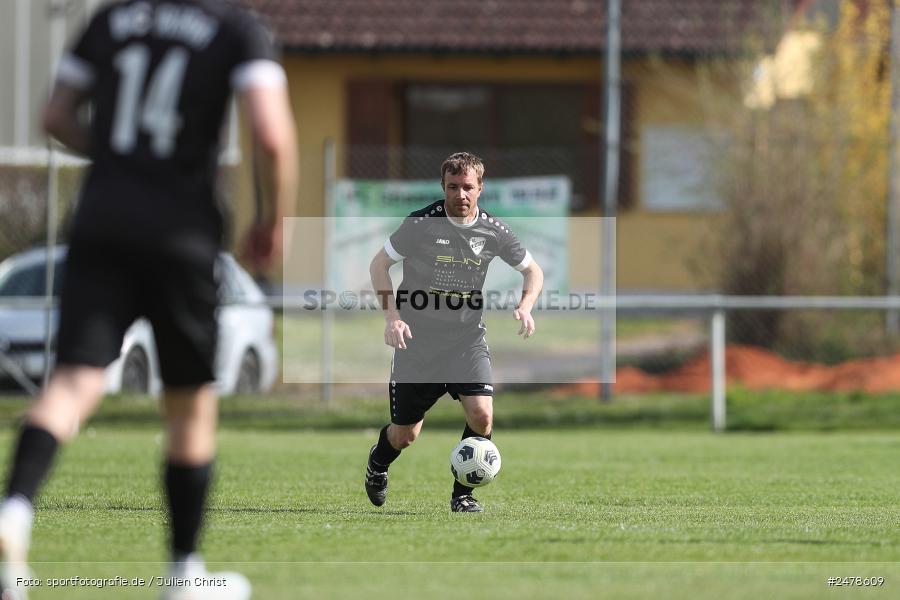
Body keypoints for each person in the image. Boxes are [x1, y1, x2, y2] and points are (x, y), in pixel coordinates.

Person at [0, 1, 298, 599]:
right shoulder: (235, 28)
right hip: (182, 230)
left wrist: (117, 158)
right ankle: (184, 575)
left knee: (73, 381)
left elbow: (56, 114)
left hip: (101, 222)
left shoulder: (111, 20)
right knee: (189, 402)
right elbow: (269, 131)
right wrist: (274, 217)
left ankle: (12, 514)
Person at [364, 152, 544, 513]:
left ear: (480, 188)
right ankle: (378, 464)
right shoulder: (421, 224)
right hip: (417, 343)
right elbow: (379, 264)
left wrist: (525, 307)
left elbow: (533, 271)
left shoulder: (494, 230)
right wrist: (391, 317)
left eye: (467, 187)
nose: (460, 194)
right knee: (405, 435)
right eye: (452, 187)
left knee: (482, 416)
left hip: (466, 340)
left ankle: (463, 494)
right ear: (443, 186)